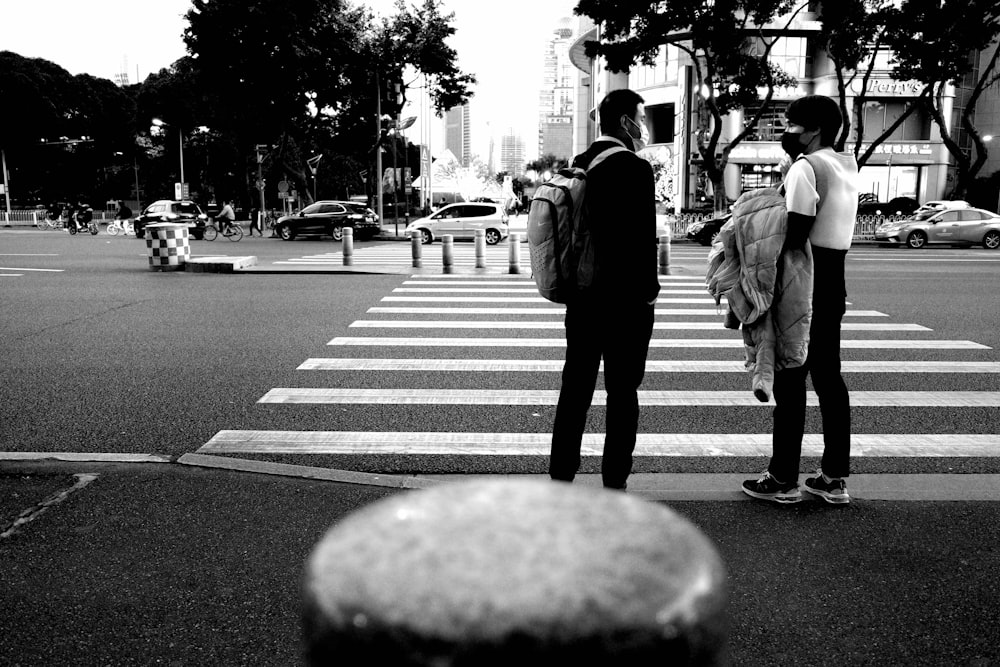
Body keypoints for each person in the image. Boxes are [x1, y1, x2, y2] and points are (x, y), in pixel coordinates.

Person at [742, 94, 859, 505]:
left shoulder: (805, 168)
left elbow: (791, 235)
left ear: (812, 129)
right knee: (829, 377)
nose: (786, 132)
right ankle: (833, 478)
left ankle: (782, 478)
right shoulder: (846, 165)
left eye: (792, 125)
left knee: (791, 378)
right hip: (835, 279)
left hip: (801, 279)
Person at [548, 88, 660, 491]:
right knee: (622, 391)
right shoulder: (632, 167)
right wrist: (650, 291)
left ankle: (561, 474)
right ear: (626, 121)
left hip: (582, 296)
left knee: (575, 386)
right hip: (625, 300)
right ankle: (614, 478)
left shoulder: (581, 163)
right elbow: (641, 239)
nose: (643, 126)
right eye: (640, 118)